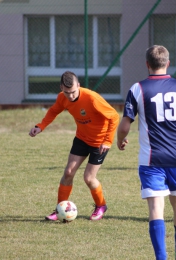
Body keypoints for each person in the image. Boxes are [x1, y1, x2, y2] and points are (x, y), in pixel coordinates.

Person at [117, 45, 176, 260]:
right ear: (167, 63)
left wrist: (120, 140)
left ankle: (161, 258)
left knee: (156, 206)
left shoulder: (137, 89)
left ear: (147, 64)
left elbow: (125, 124)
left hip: (150, 159)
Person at [29, 71, 119, 221]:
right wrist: (41, 126)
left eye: (72, 92)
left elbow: (114, 116)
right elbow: (53, 111)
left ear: (78, 85)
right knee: (69, 172)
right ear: (61, 88)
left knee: (89, 178)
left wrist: (108, 141)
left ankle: (101, 205)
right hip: (82, 139)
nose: (70, 96)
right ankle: (59, 210)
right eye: (66, 92)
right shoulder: (62, 98)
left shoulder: (91, 98)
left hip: (99, 142)